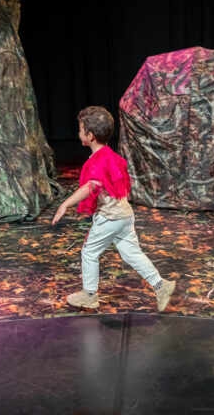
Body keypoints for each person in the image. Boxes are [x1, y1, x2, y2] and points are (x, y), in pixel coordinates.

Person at [52, 106, 176, 311]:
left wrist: (65, 203)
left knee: (89, 252)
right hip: (124, 215)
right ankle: (161, 286)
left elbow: (91, 186)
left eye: (80, 129)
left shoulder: (98, 162)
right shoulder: (111, 156)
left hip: (110, 218)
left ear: (90, 136)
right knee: (131, 254)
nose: (78, 132)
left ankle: (89, 295)